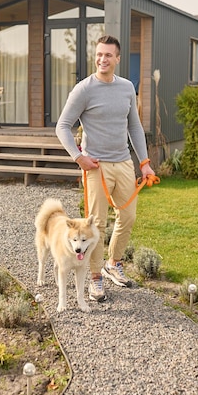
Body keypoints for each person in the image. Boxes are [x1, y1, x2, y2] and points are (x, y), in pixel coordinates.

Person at [55, 35, 156, 302]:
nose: (102, 59)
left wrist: (144, 163)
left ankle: (114, 263)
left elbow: (134, 126)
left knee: (128, 216)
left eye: (108, 55)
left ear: (117, 59)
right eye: (99, 54)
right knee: (96, 224)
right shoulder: (84, 89)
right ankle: (96, 277)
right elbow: (62, 126)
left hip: (123, 162)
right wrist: (79, 157)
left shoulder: (125, 88)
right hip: (96, 165)